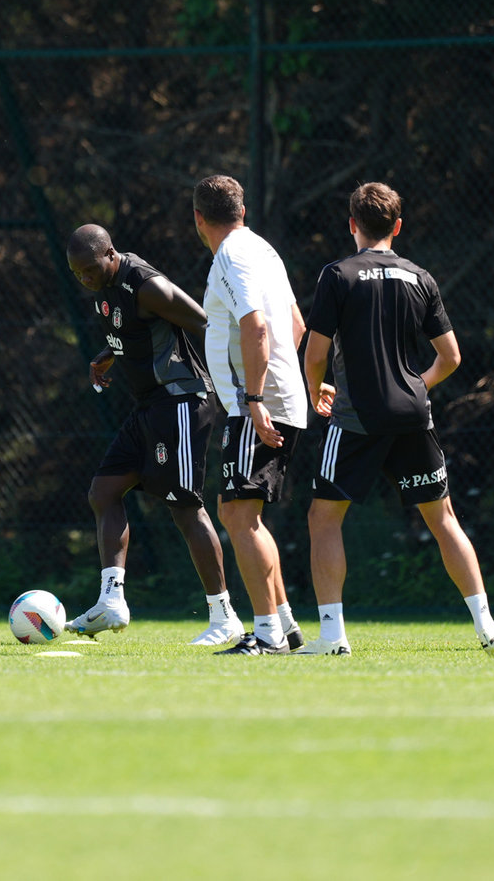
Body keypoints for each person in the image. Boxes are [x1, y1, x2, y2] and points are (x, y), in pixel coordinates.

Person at [298, 183, 494, 656]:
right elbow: (451, 356)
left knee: (324, 518)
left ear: (352, 224)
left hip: (357, 419)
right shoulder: (420, 277)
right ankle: (488, 629)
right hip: (414, 415)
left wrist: (316, 391)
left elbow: (315, 354)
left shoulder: (337, 275)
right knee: (443, 519)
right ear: (397, 227)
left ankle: (332, 637)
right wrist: (415, 386)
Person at [64, 224, 241, 647]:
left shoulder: (147, 285)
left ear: (111, 253)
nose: (86, 279)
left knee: (184, 508)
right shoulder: (103, 286)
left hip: (181, 401)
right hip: (148, 407)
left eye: (91, 269)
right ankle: (112, 601)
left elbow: (205, 324)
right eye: (78, 275)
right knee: (103, 492)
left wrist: (242, 389)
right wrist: (108, 356)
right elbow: (135, 331)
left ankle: (224, 616)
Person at [192, 174, 307, 655]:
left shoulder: (231, 256)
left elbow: (255, 327)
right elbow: (296, 326)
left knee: (240, 515)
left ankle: (266, 635)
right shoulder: (263, 250)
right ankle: (284, 623)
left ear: (199, 219)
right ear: (243, 211)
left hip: (254, 404)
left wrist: (257, 399)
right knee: (238, 511)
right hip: (271, 398)